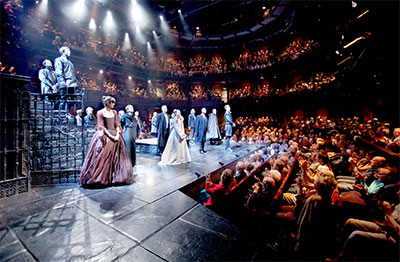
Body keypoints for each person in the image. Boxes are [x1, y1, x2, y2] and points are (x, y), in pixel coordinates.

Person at [79, 96, 132, 186]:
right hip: (106, 135)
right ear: (107, 103)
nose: (113, 104)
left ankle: (115, 178)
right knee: (103, 156)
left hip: (116, 135)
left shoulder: (114, 112)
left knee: (117, 157)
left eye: (114, 102)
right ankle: (102, 178)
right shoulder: (100, 113)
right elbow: (101, 126)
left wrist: (118, 135)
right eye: (112, 102)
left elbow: (117, 124)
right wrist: (111, 136)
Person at [54, 46, 78, 111]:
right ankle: (61, 114)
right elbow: (59, 71)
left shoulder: (70, 62)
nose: (70, 52)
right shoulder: (59, 59)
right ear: (64, 51)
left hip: (71, 83)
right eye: (68, 50)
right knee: (63, 100)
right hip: (65, 83)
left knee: (70, 100)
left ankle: (66, 113)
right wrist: (61, 80)